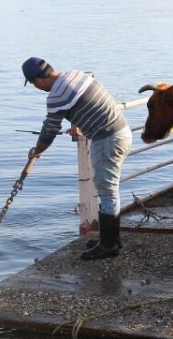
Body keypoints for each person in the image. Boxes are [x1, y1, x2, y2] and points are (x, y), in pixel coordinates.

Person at [23, 57, 132, 261]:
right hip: (121, 131)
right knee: (107, 188)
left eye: (33, 84)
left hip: (107, 138)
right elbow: (88, 103)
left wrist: (37, 151)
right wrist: (80, 122)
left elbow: (49, 131)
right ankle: (110, 239)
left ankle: (108, 246)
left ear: (37, 80)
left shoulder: (56, 95)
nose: (36, 87)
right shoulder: (75, 75)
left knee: (107, 191)